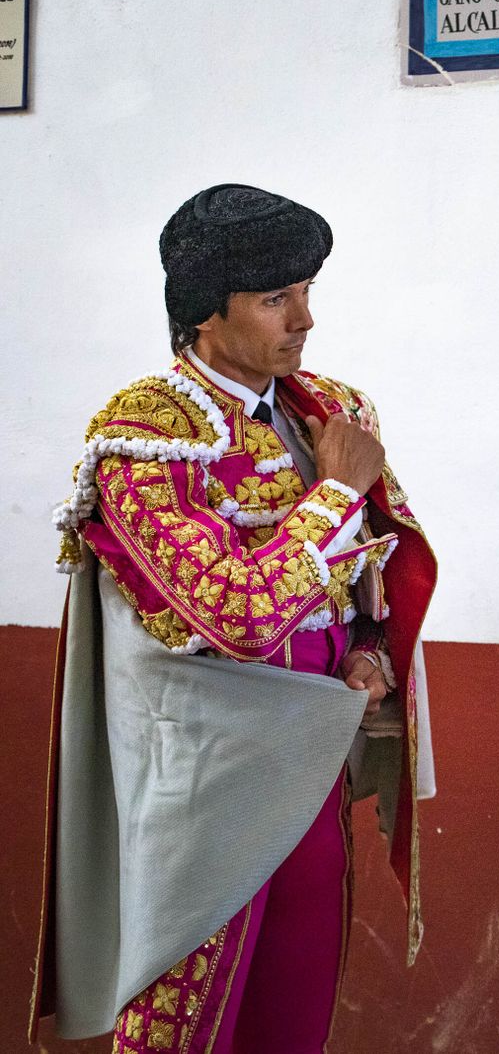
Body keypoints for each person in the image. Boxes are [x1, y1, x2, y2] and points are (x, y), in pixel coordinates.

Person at [30, 183, 439, 1052]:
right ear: (204, 316)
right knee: (189, 1007)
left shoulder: (329, 409)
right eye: (275, 299)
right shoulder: (147, 430)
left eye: (306, 293)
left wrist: (368, 655)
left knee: (294, 1000)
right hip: (203, 780)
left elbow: (371, 578)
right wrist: (333, 493)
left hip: (310, 752)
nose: (305, 320)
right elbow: (234, 615)